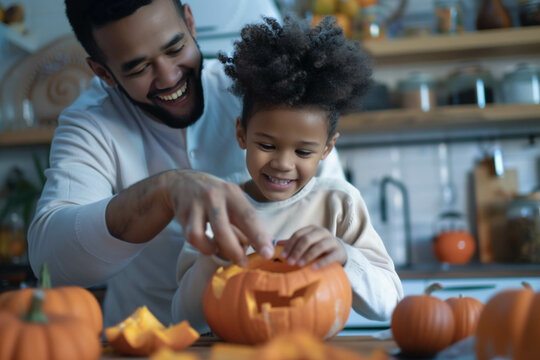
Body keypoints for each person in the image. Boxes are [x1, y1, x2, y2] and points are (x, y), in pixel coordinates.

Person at [27, 0, 346, 329]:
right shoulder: (90, 124)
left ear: (190, 23)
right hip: (148, 342)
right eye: (138, 68)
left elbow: (335, 214)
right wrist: (163, 191)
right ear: (103, 73)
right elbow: (51, 260)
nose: (168, 77)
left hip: (276, 331)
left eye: (176, 48)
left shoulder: (264, 91)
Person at [172, 16, 403, 333]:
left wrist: (345, 256)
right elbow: (183, 318)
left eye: (303, 152)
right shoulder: (217, 205)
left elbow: (391, 304)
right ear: (242, 134)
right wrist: (216, 259)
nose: (282, 163)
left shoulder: (339, 203)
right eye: (267, 145)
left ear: (326, 149)